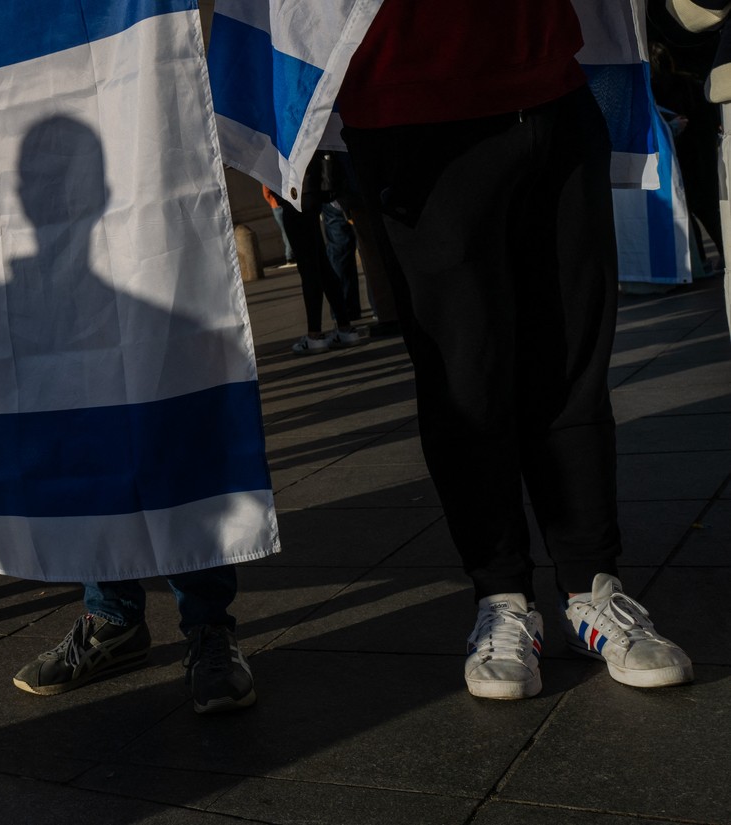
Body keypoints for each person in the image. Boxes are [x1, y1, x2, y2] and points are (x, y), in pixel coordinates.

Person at [336, 1, 693, 699]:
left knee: (573, 359)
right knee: (464, 378)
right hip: (410, 107)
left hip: (552, 84)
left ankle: (591, 587)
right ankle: (501, 597)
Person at [0, 115, 256, 715]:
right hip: (65, 309)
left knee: (173, 441)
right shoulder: (19, 292)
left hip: (145, 276)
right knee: (79, 446)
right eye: (37, 182)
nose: (49, 196)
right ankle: (113, 618)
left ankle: (208, 627)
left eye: (66, 179)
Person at [282, 164, 362, 355]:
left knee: (309, 267)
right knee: (322, 264)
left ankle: (315, 334)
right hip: (311, 190)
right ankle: (344, 327)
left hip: (295, 191)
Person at [261, 184, 295, 264]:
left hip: (279, 205)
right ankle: (290, 255)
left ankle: (290, 254)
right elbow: (266, 193)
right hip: (278, 206)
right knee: (287, 230)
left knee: (287, 230)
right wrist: (273, 203)